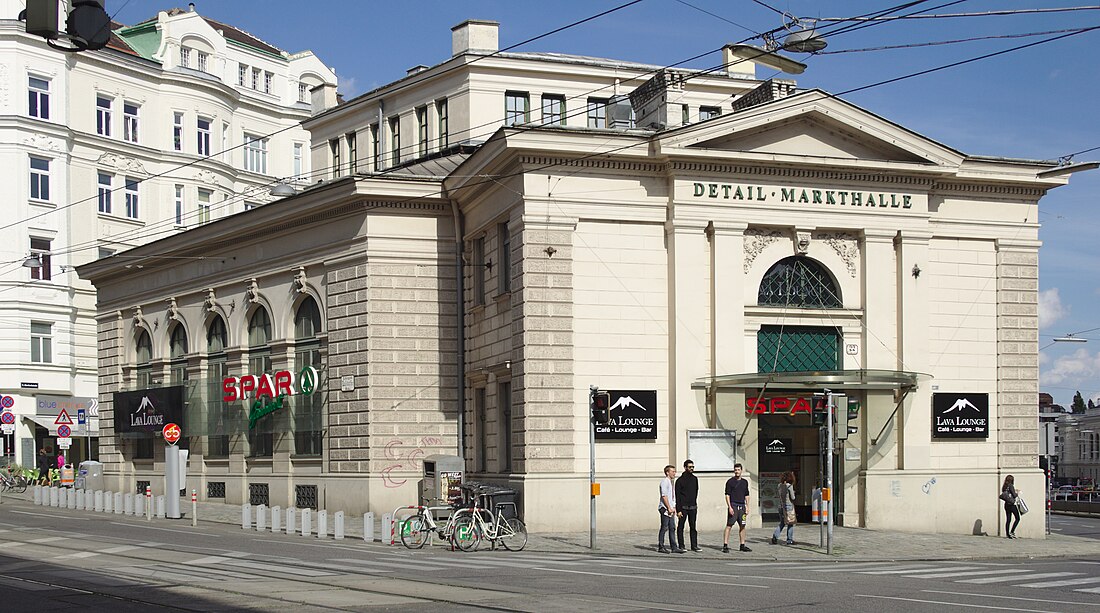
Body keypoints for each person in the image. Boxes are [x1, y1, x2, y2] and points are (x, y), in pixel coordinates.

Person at [722, 463, 752, 552]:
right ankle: (725, 545)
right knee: (729, 525)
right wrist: (729, 507)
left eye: (738, 470)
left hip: (742, 506)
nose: (737, 472)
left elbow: (747, 494)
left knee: (742, 526)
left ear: (741, 471)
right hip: (734, 505)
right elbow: (727, 495)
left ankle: (742, 545)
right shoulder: (730, 482)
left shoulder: (744, 482)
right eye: (735, 470)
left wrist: (747, 506)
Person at [675, 459, 700, 552]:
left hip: (693, 507)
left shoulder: (695, 479)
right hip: (683, 507)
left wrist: (694, 503)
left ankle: (694, 545)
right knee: (681, 527)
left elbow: (696, 491)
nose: (692, 468)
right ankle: (681, 545)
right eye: (690, 467)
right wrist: (679, 510)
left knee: (693, 527)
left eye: (693, 467)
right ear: (685, 468)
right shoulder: (680, 481)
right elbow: (678, 496)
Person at [657, 465, 683, 553]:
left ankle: (674, 547)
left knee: (672, 527)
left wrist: (674, 507)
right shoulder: (665, 482)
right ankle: (661, 546)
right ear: (667, 472)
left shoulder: (671, 482)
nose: (674, 473)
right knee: (664, 527)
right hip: (665, 508)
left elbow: (672, 497)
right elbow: (664, 496)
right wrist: (668, 507)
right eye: (672, 471)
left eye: (674, 471)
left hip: (671, 508)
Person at [771, 471, 797, 545]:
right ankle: (789, 540)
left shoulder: (779, 485)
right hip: (788, 506)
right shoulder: (789, 486)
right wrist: (793, 492)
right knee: (790, 523)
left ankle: (775, 536)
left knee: (782, 522)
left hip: (781, 506)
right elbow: (793, 497)